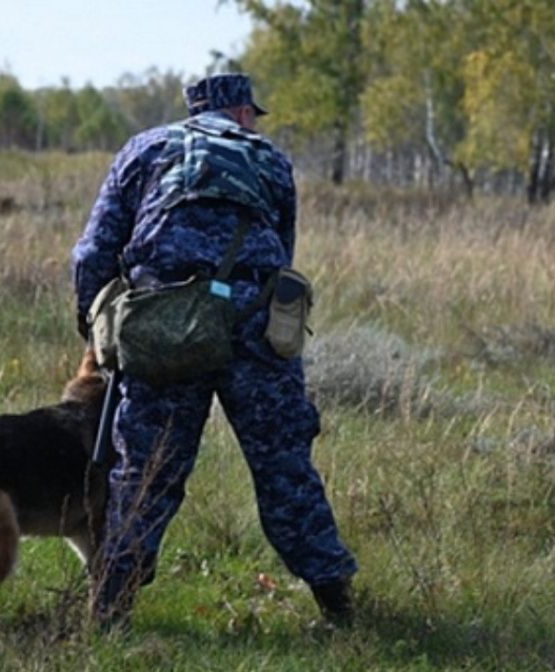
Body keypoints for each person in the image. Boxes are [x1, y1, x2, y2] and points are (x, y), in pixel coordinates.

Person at [71, 73, 358, 627]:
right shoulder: (269, 159)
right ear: (243, 112)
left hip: (163, 322)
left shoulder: (145, 147)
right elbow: (283, 249)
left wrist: (95, 323)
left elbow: (92, 252)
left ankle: (109, 610)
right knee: (284, 465)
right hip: (256, 324)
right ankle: (338, 608)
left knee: (146, 469)